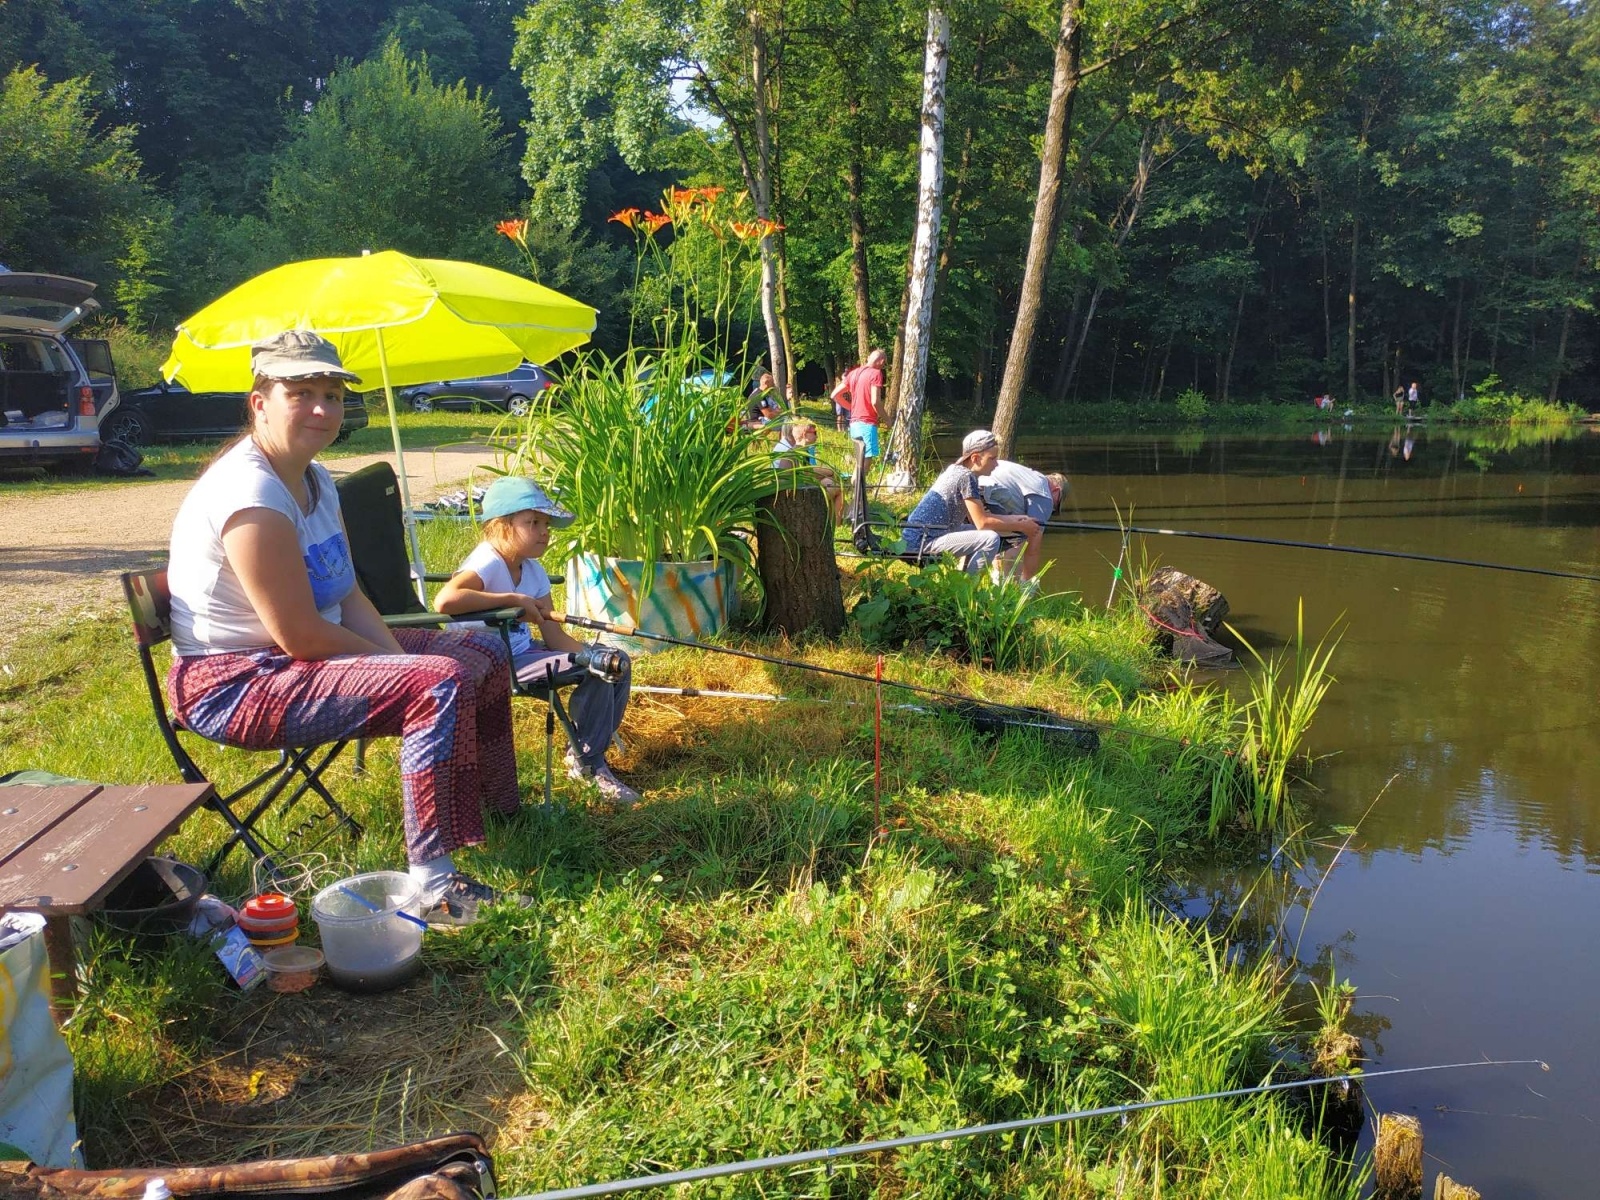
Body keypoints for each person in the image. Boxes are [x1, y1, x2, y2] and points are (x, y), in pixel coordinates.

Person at [164, 331, 524, 928]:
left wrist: (397, 660)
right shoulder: (250, 493)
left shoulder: (317, 480)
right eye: (300, 393)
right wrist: (409, 673)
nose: (321, 409)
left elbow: (348, 595)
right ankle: (434, 886)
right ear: (259, 403)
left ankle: (500, 811)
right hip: (235, 682)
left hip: (299, 660)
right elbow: (300, 636)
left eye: (331, 395)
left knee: (480, 647)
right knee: (436, 682)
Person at [435, 476, 638, 806]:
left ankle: (586, 751)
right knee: (596, 669)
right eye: (533, 523)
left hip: (523, 653)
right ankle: (589, 766)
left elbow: (553, 636)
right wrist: (512, 600)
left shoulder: (533, 571)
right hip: (489, 662)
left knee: (612, 663)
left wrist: (592, 653)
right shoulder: (488, 560)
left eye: (546, 524)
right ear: (502, 527)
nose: (545, 531)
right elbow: (445, 600)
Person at [902, 429, 1044, 581]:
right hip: (921, 544)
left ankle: (961, 579)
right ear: (975, 458)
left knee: (977, 531)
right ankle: (967, 586)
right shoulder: (966, 477)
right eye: (992, 458)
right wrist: (1020, 526)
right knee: (990, 539)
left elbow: (975, 518)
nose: (996, 464)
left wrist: (1017, 519)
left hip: (918, 538)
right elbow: (982, 523)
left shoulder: (956, 470)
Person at [773, 419, 843, 522]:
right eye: (814, 433)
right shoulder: (797, 453)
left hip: (796, 492)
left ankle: (828, 521)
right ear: (805, 434)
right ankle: (835, 523)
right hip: (795, 498)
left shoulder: (798, 450)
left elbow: (808, 472)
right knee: (837, 486)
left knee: (830, 481)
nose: (817, 436)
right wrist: (830, 472)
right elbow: (808, 474)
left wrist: (830, 472)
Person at [978, 460, 1068, 523]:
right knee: (1021, 532)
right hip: (986, 494)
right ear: (1056, 490)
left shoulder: (1030, 475)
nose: (1052, 508)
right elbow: (1035, 533)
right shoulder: (1045, 495)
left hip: (975, 485)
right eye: (1057, 503)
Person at [843, 348, 886, 459]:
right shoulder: (876, 373)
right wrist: (888, 420)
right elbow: (875, 402)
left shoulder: (853, 373)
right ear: (882, 361)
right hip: (867, 423)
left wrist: (851, 408)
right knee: (865, 461)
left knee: (859, 461)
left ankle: (857, 473)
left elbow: (835, 395)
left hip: (854, 423)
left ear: (868, 358)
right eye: (884, 364)